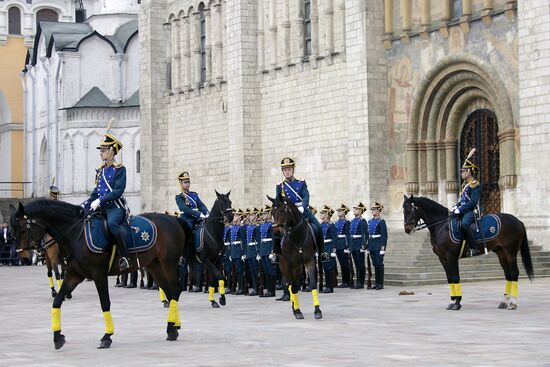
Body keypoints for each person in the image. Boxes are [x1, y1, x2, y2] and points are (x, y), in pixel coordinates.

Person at [82, 132, 130, 270]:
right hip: (101, 208)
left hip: (115, 208)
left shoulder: (120, 170)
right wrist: (84, 204)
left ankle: (125, 258)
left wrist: (100, 200)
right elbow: (95, 193)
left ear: (112, 151)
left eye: (103, 150)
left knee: (112, 225)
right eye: (101, 151)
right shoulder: (100, 171)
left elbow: (117, 192)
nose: (101, 153)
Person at [272, 157, 329, 262]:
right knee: (276, 230)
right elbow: (278, 201)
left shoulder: (301, 183)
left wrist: (303, 206)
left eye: (289, 169)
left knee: (318, 227)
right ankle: (276, 253)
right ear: (283, 172)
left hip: (302, 210)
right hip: (287, 213)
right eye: (285, 170)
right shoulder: (280, 186)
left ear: (293, 170)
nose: (287, 172)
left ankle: (322, 253)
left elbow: (306, 196)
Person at [175, 171, 209, 291]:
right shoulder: (179, 196)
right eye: (185, 182)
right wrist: (198, 214)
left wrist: (207, 212)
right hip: (187, 219)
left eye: (188, 182)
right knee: (187, 231)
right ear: (180, 183)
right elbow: (184, 209)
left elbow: (201, 205)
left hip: (198, 218)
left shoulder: (194, 194)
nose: (187, 184)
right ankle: (183, 253)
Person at [451, 151, 482, 257]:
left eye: (463, 171)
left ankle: (474, 248)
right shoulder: (466, 184)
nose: (461, 173)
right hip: (464, 209)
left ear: (469, 172)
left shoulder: (474, 184)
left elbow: (473, 202)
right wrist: (457, 205)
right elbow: (463, 199)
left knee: (464, 224)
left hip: (471, 211)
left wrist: (461, 209)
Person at [367, 202, 388, 290]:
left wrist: (383, 248)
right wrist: (367, 247)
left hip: (378, 244)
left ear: (379, 211)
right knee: (375, 264)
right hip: (372, 244)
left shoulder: (381, 221)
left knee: (379, 264)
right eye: (372, 210)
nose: (373, 211)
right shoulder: (370, 221)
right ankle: (376, 283)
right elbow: (368, 234)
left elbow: (384, 235)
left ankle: (380, 283)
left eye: (375, 210)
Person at [348, 203, 368, 289]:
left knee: (360, 264)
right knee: (356, 264)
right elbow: (350, 234)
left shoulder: (362, 221)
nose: (354, 210)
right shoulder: (353, 221)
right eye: (354, 209)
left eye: (356, 209)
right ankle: (357, 282)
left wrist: (363, 245)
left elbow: (365, 234)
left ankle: (361, 282)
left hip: (359, 243)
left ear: (360, 211)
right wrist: (349, 245)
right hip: (353, 244)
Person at [258, 205, 276, 297]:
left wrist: (272, 251)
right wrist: (260, 252)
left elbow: (273, 239)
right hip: (263, 249)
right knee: (266, 271)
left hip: (269, 249)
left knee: (271, 270)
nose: (263, 215)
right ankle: (268, 290)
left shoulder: (271, 225)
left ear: (269, 214)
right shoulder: (262, 225)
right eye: (263, 213)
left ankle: (272, 291)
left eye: (265, 213)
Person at [320, 206, 338, 294]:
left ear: (327, 215)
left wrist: (333, 250)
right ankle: (327, 286)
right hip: (323, 248)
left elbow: (335, 238)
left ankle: (330, 287)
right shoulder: (321, 225)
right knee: (325, 268)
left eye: (323, 213)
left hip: (329, 247)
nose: (321, 214)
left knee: (330, 268)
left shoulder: (331, 225)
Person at [334, 204, 352, 288]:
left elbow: (348, 234)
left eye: (340, 211)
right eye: (338, 211)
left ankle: (347, 281)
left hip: (343, 244)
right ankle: (344, 281)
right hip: (338, 244)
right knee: (341, 263)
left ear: (344, 212)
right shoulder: (337, 222)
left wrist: (347, 246)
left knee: (345, 264)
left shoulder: (347, 222)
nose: (338, 212)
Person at [229, 209, 247, 295]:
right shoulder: (232, 227)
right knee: (235, 270)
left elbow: (243, 241)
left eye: (236, 216)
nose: (234, 217)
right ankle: (237, 287)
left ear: (240, 217)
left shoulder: (241, 228)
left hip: (239, 251)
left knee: (240, 270)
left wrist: (243, 253)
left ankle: (241, 288)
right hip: (233, 251)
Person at [244, 208, 260, 296]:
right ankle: (254, 288)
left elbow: (258, 240)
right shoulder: (248, 227)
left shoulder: (256, 227)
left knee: (256, 270)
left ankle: (258, 288)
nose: (250, 217)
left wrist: (258, 252)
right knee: (252, 270)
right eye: (250, 215)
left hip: (254, 249)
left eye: (253, 215)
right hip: (249, 250)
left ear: (256, 216)